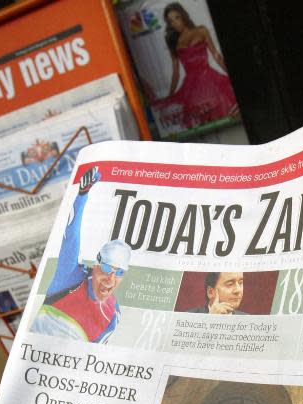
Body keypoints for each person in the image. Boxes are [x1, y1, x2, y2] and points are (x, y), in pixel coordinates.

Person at [30, 166, 131, 343]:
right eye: (107, 268)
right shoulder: (70, 277)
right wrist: (82, 194)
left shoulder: (113, 312)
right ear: (96, 265)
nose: (111, 278)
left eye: (120, 272)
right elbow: (71, 235)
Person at [154, 2, 239, 129]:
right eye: (171, 21)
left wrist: (231, 75)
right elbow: (176, 72)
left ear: (183, 16)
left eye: (177, 18)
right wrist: (170, 96)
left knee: (225, 113)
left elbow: (216, 55)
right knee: (202, 122)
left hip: (210, 78)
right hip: (190, 86)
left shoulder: (201, 30)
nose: (175, 23)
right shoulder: (173, 41)